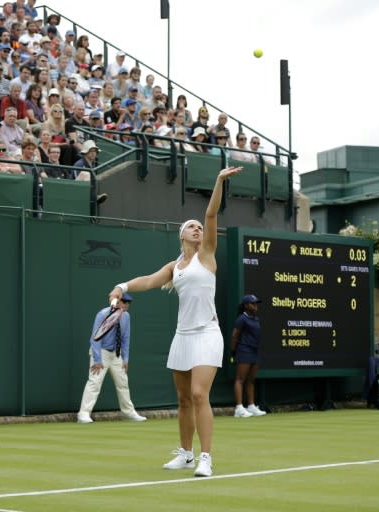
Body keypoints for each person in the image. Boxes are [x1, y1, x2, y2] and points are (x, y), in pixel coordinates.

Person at [108, 166, 244, 478]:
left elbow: (211, 217)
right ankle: (185, 454)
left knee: (199, 394)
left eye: (199, 227)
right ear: (181, 235)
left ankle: (205, 457)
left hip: (208, 333)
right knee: (183, 400)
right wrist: (123, 286)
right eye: (191, 227)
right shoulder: (175, 266)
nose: (198, 228)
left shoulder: (207, 254)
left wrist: (218, 180)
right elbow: (148, 281)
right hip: (182, 336)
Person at [77, 293, 147, 424]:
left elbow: (126, 338)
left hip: (116, 354)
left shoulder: (126, 317)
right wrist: (97, 359)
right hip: (100, 352)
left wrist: (125, 359)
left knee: (123, 383)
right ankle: (83, 414)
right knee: (94, 382)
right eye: (124, 302)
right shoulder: (103, 315)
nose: (126, 305)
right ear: (117, 301)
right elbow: (95, 338)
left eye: (128, 303)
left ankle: (129, 413)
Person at [231, 294, 267, 418]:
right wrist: (233, 352)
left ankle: (251, 406)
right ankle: (239, 408)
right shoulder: (241, 319)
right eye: (253, 303)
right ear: (246, 305)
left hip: (255, 352)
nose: (255, 305)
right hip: (244, 350)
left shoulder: (256, 319)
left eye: (256, 303)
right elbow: (235, 336)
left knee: (251, 380)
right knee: (240, 379)